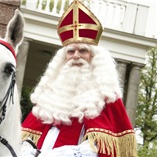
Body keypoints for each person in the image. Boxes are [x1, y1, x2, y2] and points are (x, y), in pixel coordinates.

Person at [21, 0, 137, 157]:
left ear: (94, 57)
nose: (76, 56)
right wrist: (25, 147)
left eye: (83, 51)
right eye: (70, 51)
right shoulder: (50, 94)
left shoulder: (107, 95)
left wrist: (66, 154)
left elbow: (108, 147)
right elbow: (29, 134)